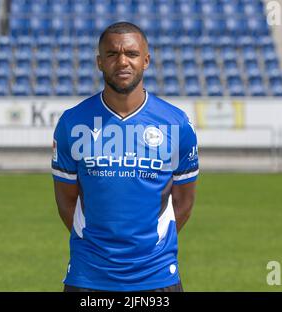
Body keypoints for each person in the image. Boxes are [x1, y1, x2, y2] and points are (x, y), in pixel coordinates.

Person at [51, 22, 199, 292]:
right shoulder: (72, 123)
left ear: (146, 60)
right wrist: (99, 246)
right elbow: (66, 201)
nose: (122, 61)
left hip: (156, 276)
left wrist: (146, 248)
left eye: (131, 54)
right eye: (112, 54)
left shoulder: (176, 124)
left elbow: (184, 202)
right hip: (89, 276)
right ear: (99, 62)